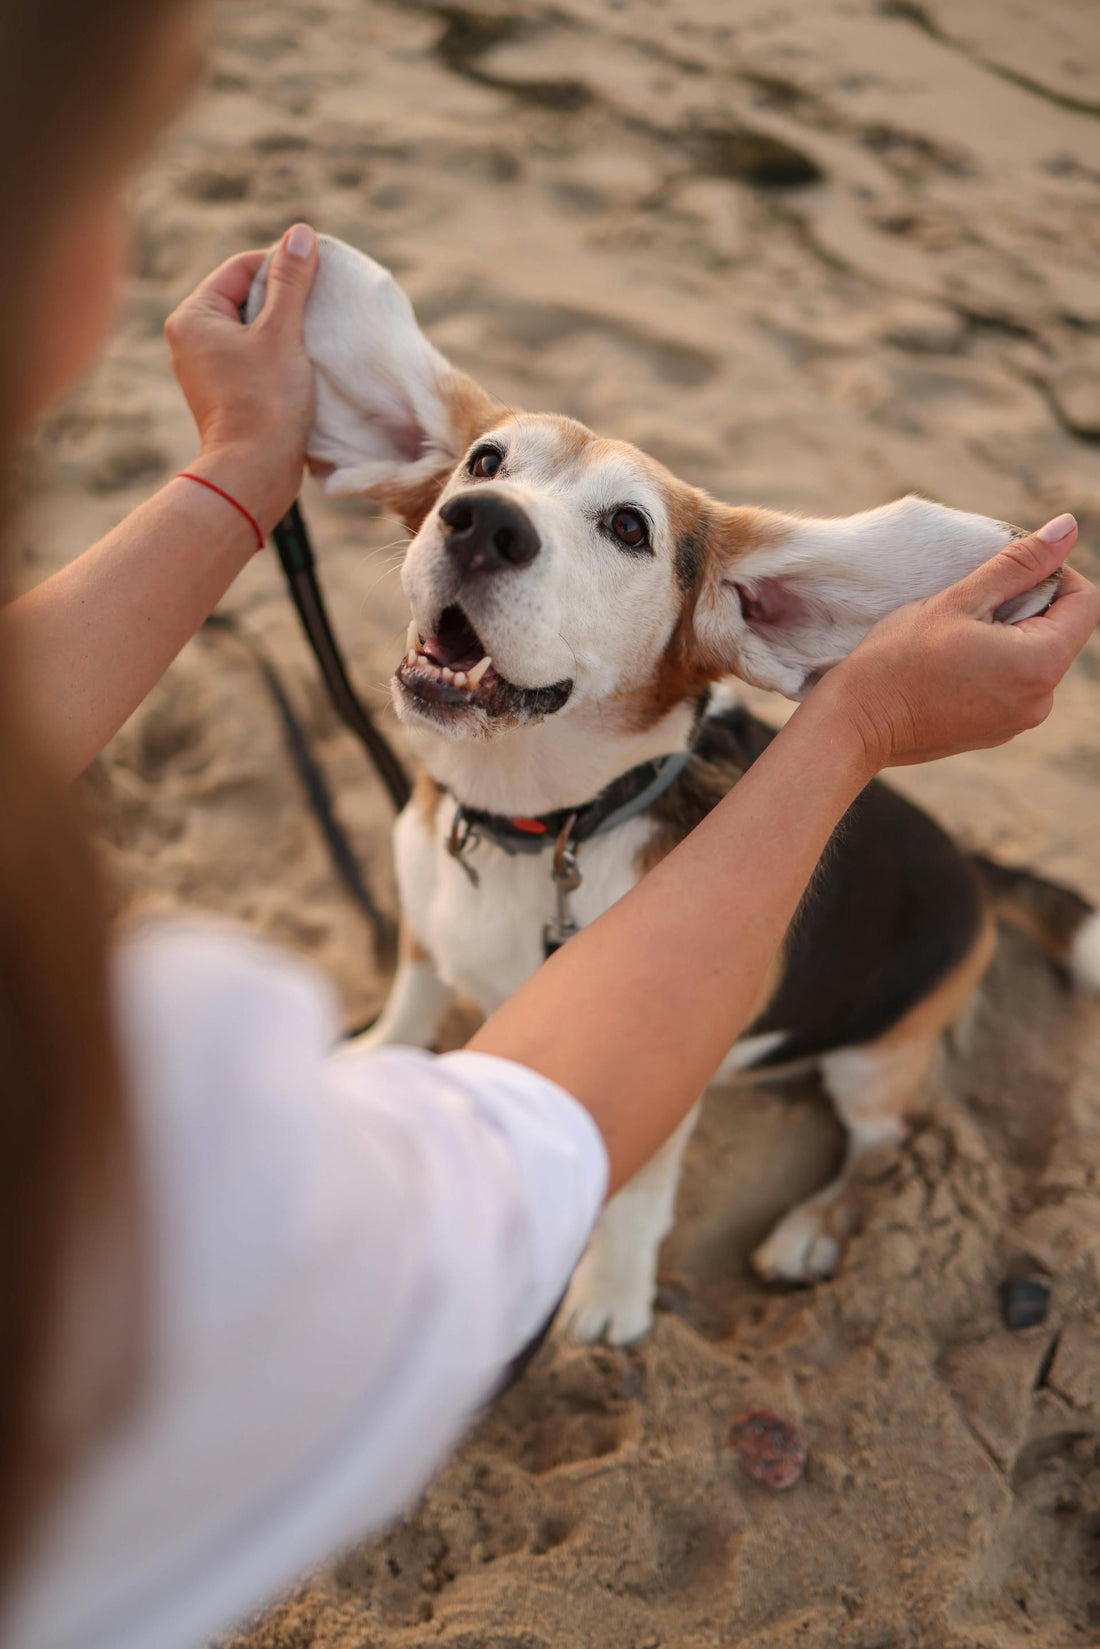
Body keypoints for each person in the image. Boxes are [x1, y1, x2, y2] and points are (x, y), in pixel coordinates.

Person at [0, 2, 1096, 1647]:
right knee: (437, 938)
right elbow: (511, 1146)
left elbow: (622, 1117)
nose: (488, 513)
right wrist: (417, 1014)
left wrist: (242, 464)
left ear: (726, 621)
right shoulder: (372, 870)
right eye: (485, 476)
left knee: (857, 1091)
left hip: (845, 983)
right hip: (516, 875)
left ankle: (870, 1149)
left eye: (620, 531)